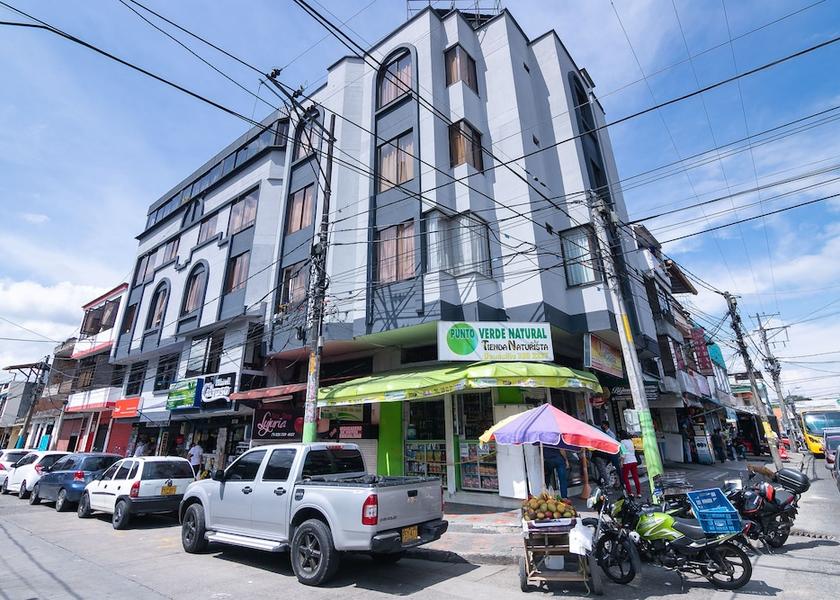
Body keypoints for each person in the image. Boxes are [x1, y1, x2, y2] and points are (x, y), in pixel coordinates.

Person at [619, 430, 642, 496]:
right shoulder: (630, 441)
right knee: (635, 477)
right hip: (633, 460)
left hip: (627, 461)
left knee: (625, 477)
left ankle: (630, 492)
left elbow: (624, 453)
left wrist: (621, 462)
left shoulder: (622, 442)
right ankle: (639, 493)